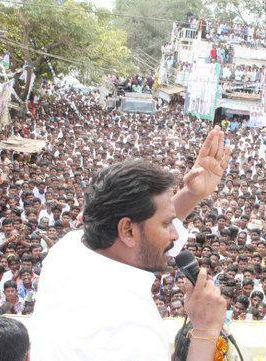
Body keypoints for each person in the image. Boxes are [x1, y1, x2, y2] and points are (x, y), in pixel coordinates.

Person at [31, 127, 232, 360]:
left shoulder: (69, 248)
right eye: (167, 224)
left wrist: (191, 193)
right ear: (127, 230)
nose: (175, 235)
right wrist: (206, 331)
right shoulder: (132, 333)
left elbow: (145, 228)